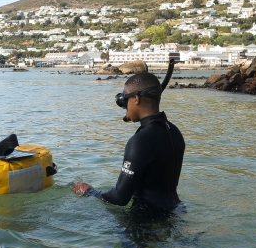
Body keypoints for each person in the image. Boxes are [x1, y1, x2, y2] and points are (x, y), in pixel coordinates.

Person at [72, 70, 185, 212]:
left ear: (136, 99)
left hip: (146, 223)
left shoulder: (140, 140)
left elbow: (120, 198)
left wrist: (90, 192)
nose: (124, 104)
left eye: (125, 99)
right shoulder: (174, 132)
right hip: (176, 211)